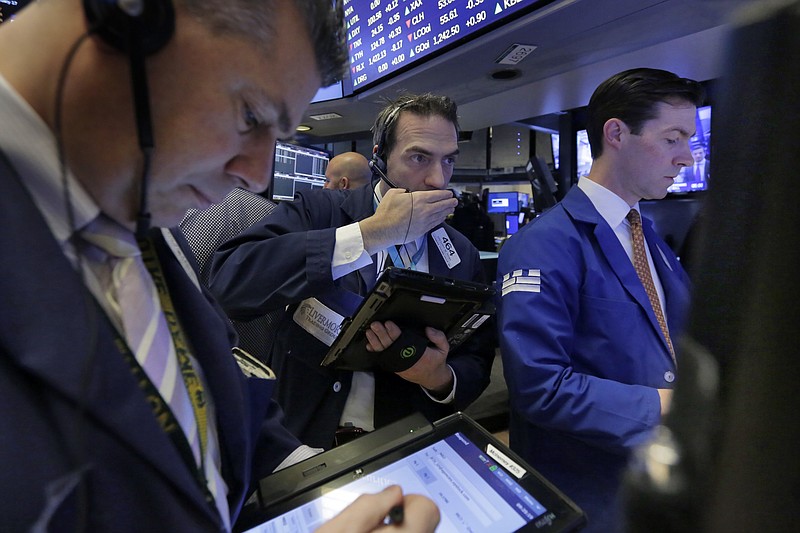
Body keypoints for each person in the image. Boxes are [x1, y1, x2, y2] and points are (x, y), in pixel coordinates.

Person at [0, 0, 438, 531]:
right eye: (250, 115)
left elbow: (217, 408)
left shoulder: (136, 200)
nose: (256, 177)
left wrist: (322, 485)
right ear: (128, 17)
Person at [209, 93, 495, 450]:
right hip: (302, 442)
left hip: (404, 446)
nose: (438, 179)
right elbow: (228, 284)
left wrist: (440, 378)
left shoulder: (459, 254)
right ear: (380, 156)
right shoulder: (320, 211)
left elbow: (478, 357)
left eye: (448, 161)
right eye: (419, 157)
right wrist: (371, 233)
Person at [496, 68, 704, 532]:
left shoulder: (647, 235)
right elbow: (541, 386)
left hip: (657, 488)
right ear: (616, 133)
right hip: (590, 499)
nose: (686, 157)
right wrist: (670, 405)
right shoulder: (542, 245)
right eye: (672, 139)